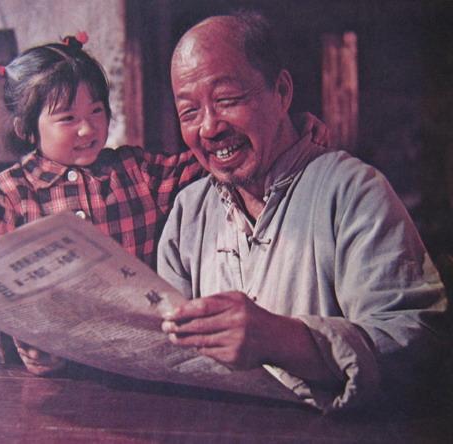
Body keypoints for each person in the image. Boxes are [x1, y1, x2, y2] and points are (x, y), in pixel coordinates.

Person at [0, 32, 330, 385]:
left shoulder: (134, 171)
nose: (88, 128)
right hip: (48, 379)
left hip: (137, 372)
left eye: (97, 111)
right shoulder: (9, 193)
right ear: (28, 128)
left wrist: (284, 132)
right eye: (67, 118)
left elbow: (207, 159)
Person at [157, 12, 448, 412]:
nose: (209, 128)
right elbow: (165, 352)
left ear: (281, 92)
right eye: (189, 112)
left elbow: (419, 347)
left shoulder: (352, 191)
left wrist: (284, 340)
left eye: (226, 100)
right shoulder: (189, 211)